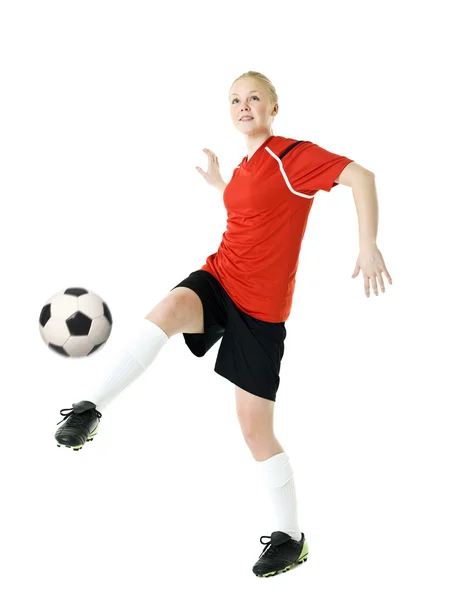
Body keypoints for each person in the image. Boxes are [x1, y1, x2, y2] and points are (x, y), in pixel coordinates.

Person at [54, 70, 393, 577]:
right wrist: (222, 185)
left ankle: (291, 539)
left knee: (256, 433)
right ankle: (88, 410)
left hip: (261, 312)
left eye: (254, 97)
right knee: (168, 309)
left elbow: (361, 177)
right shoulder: (248, 165)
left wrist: (367, 245)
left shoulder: (291, 157)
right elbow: (250, 211)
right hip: (219, 278)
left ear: (274, 107)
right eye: (235, 99)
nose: (243, 105)